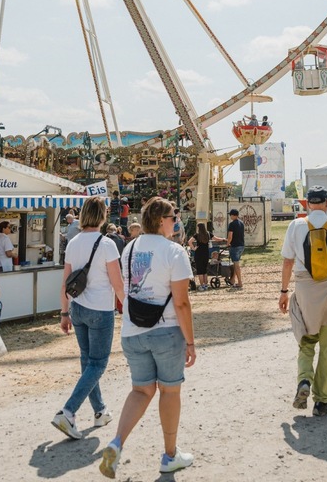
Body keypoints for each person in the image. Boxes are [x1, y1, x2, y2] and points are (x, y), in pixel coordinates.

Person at [99, 197, 196, 478]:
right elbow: (181, 303)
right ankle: (170, 455)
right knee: (169, 390)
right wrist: (190, 341)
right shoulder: (174, 251)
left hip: (133, 330)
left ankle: (116, 443)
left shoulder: (130, 247)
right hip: (165, 330)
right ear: (162, 220)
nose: (176, 221)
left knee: (141, 390)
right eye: (173, 216)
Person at [279, 185, 327, 416]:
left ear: (308, 203)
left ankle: (304, 379)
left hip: (305, 290)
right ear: (326, 202)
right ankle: (323, 400)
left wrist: (283, 292)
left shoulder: (296, 225)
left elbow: (287, 262)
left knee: (306, 340)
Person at [54, 196, 125, 441]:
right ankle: (68, 411)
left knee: (88, 361)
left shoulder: (73, 242)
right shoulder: (107, 244)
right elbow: (117, 282)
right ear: (102, 215)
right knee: (98, 363)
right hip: (100, 309)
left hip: (78, 307)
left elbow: (65, 282)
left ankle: (99, 411)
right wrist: (128, 308)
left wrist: (64, 312)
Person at [226, 209, 245, 290]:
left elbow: (230, 236)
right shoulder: (241, 223)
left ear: (233, 215)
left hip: (234, 246)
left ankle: (240, 282)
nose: (230, 216)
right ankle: (232, 280)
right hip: (241, 245)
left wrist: (227, 243)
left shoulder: (232, 224)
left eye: (230, 215)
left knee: (236, 265)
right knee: (235, 264)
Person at [188, 223, 211, 292]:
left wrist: (193, 248)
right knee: (204, 269)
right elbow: (216, 238)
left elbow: (189, 241)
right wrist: (223, 239)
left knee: (200, 270)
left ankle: (202, 285)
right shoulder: (208, 234)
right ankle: (206, 284)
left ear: (198, 228)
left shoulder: (197, 235)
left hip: (199, 254)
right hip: (206, 253)